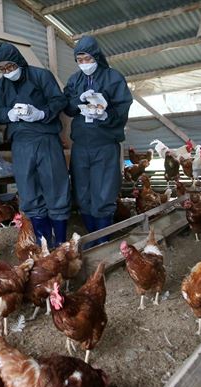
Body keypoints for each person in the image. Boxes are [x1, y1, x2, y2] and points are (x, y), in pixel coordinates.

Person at [0, 41, 71, 246]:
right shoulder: (1, 85)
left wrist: (41, 113)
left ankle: (60, 243)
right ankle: (43, 242)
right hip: (21, 142)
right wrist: (9, 114)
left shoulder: (41, 76)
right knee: (28, 191)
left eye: (10, 67)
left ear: (19, 62)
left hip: (46, 138)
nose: (7, 72)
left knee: (56, 187)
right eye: (2, 69)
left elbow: (59, 100)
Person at [63, 35, 133, 247]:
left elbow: (123, 107)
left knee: (104, 193)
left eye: (87, 59)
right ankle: (92, 235)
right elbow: (66, 106)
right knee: (82, 192)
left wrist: (106, 115)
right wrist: (79, 100)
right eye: (80, 60)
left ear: (96, 56)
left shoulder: (113, 77)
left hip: (104, 143)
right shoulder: (75, 80)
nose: (84, 64)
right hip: (81, 144)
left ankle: (102, 239)